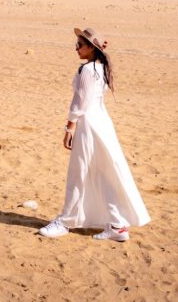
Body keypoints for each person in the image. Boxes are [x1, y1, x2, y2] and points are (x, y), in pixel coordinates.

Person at [39, 27, 150, 241]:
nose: (76, 48)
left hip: (88, 125)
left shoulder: (88, 70)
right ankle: (117, 225)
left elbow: (80, 102)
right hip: (102, 124)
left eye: (80, 45)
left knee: (79, 172)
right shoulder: (100, 68)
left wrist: (69, 127)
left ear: (91, 47)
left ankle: (65, 222)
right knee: (104, 172)